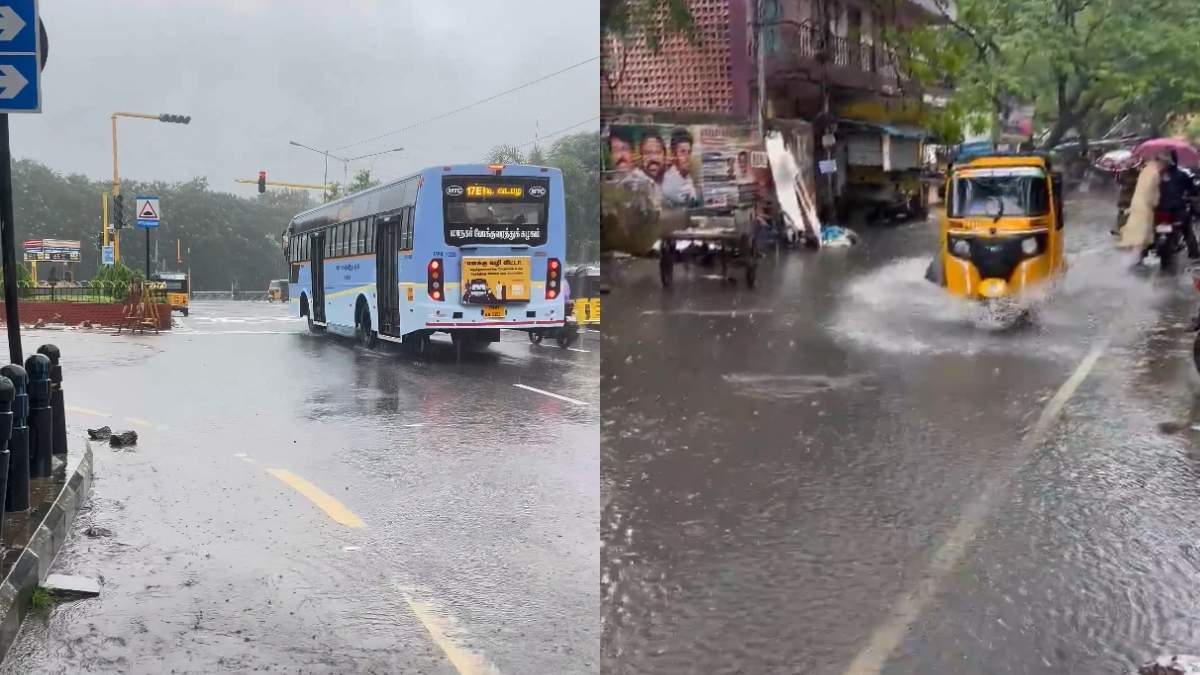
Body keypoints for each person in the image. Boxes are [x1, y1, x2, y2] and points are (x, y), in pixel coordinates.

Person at [1158, 150, 1199, 260]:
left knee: (1162, 229)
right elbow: (1192, 189)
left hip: (1162, 209)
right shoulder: (1182, 174)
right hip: (1178, 209)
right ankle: (1194, 255)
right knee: (1188, 232)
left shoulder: (1159, 174)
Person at [661, 128, 698, 207]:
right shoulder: (669, 183)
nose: (687, 157)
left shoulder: (687, 176)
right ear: (674, 154)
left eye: (689, 152)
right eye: (682, 152)